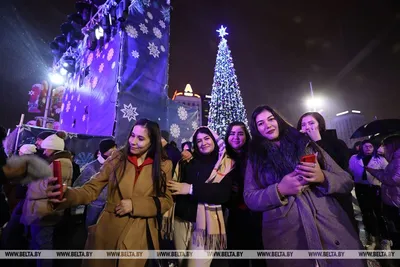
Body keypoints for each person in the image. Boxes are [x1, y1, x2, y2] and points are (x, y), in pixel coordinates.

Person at [244, 105, 366, 267]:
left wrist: (322, 177)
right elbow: (250, 197)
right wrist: (279, 190)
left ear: (278, 120)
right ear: (256, 129)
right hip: (286, 237)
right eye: (260, 124)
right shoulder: (256, 157)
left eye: (271, 119)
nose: (268, 125)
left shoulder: (306, 144)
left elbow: (346, 181)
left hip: (330, 228)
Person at [46, 119, 173, 267]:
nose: (133, 141)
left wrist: (135, 205)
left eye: (140, 138)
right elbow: (92, 188)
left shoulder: (164, 165)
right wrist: (67, 194)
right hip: (109, 229)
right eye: (132, 135)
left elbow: (166, 200)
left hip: (141, 233)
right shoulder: (117, 158)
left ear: (152, 141)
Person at [167, 126, 233, 267]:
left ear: (214, 140)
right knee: (181, 263)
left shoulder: (224, 163)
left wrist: (191, 189)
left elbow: (223, 194)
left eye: (207, 138)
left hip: (206, 226)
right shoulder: (188, 161)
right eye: (199, 141)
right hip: (180, 221)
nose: (203, 143)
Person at [20, 131, 72, 267]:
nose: (44, 152)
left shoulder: (61, 164)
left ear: (54, 148)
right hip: (41, 209)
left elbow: (50, 187)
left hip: (45, 211)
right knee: (37, 245)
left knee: (43, 247)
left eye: (46, 148)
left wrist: (31, 181)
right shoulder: (57, 162)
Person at [297, 112, 357, 231]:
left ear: (320, 124)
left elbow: (340, 168)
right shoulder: (300, 147)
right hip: (316, 199)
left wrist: (318, 141)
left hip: (338, 196)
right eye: (303, 125)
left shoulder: (336, 143)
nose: (307, 127)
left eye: (311, 123)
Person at [224, 122, 265, 267]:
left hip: (256, 213)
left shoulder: (253, 157)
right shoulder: (222, 157)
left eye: (240, 134)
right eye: (232, 133)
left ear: (246, 137)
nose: (236, 137)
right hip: (233, 215)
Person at [349, 140, 388, 250]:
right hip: (361, 188)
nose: (368, 148)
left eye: (370, 146)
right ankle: (373, 237)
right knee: (366, 213)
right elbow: (351, 170)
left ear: (373, 147)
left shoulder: (380, 159)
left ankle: (385, 238)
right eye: (365, 146)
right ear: (361, 148)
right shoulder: (354, 158)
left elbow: (387, 172)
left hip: (376, 188)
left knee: (379, 212)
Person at [366, 135, 400, 250]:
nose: (383, 148)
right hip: (392, 199)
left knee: (396, 232)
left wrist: (374, 172)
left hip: (396, 202)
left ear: (392, 145)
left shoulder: (398, 160)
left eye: (385, 145)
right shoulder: (394, 159)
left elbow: (393, 180)